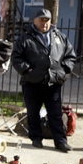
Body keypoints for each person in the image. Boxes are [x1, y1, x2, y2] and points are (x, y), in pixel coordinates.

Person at [12, 8, 77, 152]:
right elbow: (16, 58)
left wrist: (63, 71)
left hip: (53, 82)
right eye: (41, 20)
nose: (44, 23)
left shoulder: (59, 37)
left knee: (55, 113)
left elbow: (71, 56)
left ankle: (60, 141)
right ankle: (36, 138)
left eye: (47, 20)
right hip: (32, 82)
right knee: (33, 112)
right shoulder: (25, 38)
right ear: (34, 21)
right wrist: (27, 70)